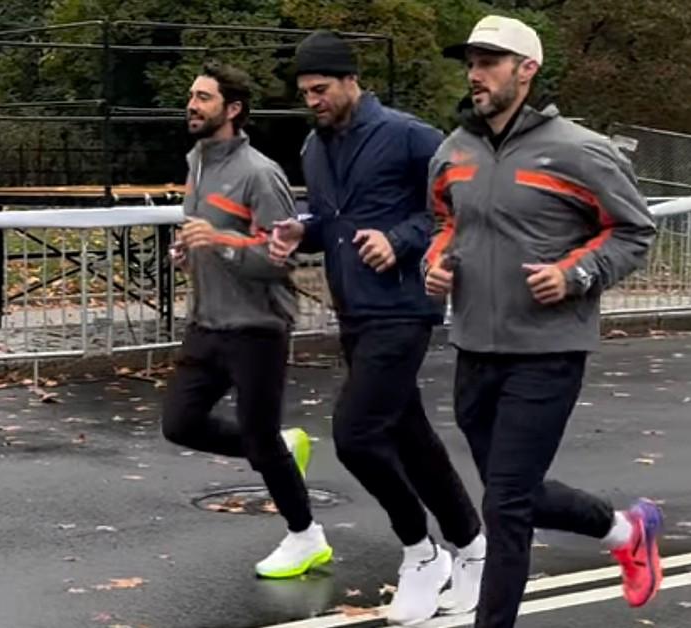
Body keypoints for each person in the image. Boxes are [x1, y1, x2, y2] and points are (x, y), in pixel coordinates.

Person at [425, 15, 662, 628]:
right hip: (474, 345)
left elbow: (634, 230)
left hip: (548, 351)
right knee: (518, 494)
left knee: (503, 505)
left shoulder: (580, 150)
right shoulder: (453, 151)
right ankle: (626, 530)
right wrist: (436, 263)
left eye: (490, 62)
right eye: (471, 62)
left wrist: (574, 274)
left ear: (526, 70)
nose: (476, 74)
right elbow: (447, 224)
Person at [269, 31, 485, 625]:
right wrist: (299, 233)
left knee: (358, 433)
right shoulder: (315, 146)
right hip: (353, 309)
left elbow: (453, 207)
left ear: (350, 80)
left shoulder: (411, 136)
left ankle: (421, 552)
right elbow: (334, 219)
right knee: (410, 436)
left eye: (320, 88)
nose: (312, 100)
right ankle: (472, 545)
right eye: (304, 91)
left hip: (402, 307)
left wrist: (401, 239)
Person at [160, 61, 331, 579]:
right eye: (191, 95)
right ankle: (279, 447)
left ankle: (306, 536)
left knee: (258, 439)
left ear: (232, 110)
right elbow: (205, 233)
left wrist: (221, 246)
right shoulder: (198, 163)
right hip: (207, 321)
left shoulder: (259, 173)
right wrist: (186, 251)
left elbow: (280, 257)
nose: (192, 104)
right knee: (180, 423)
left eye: (204, 97)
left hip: (257, 327)